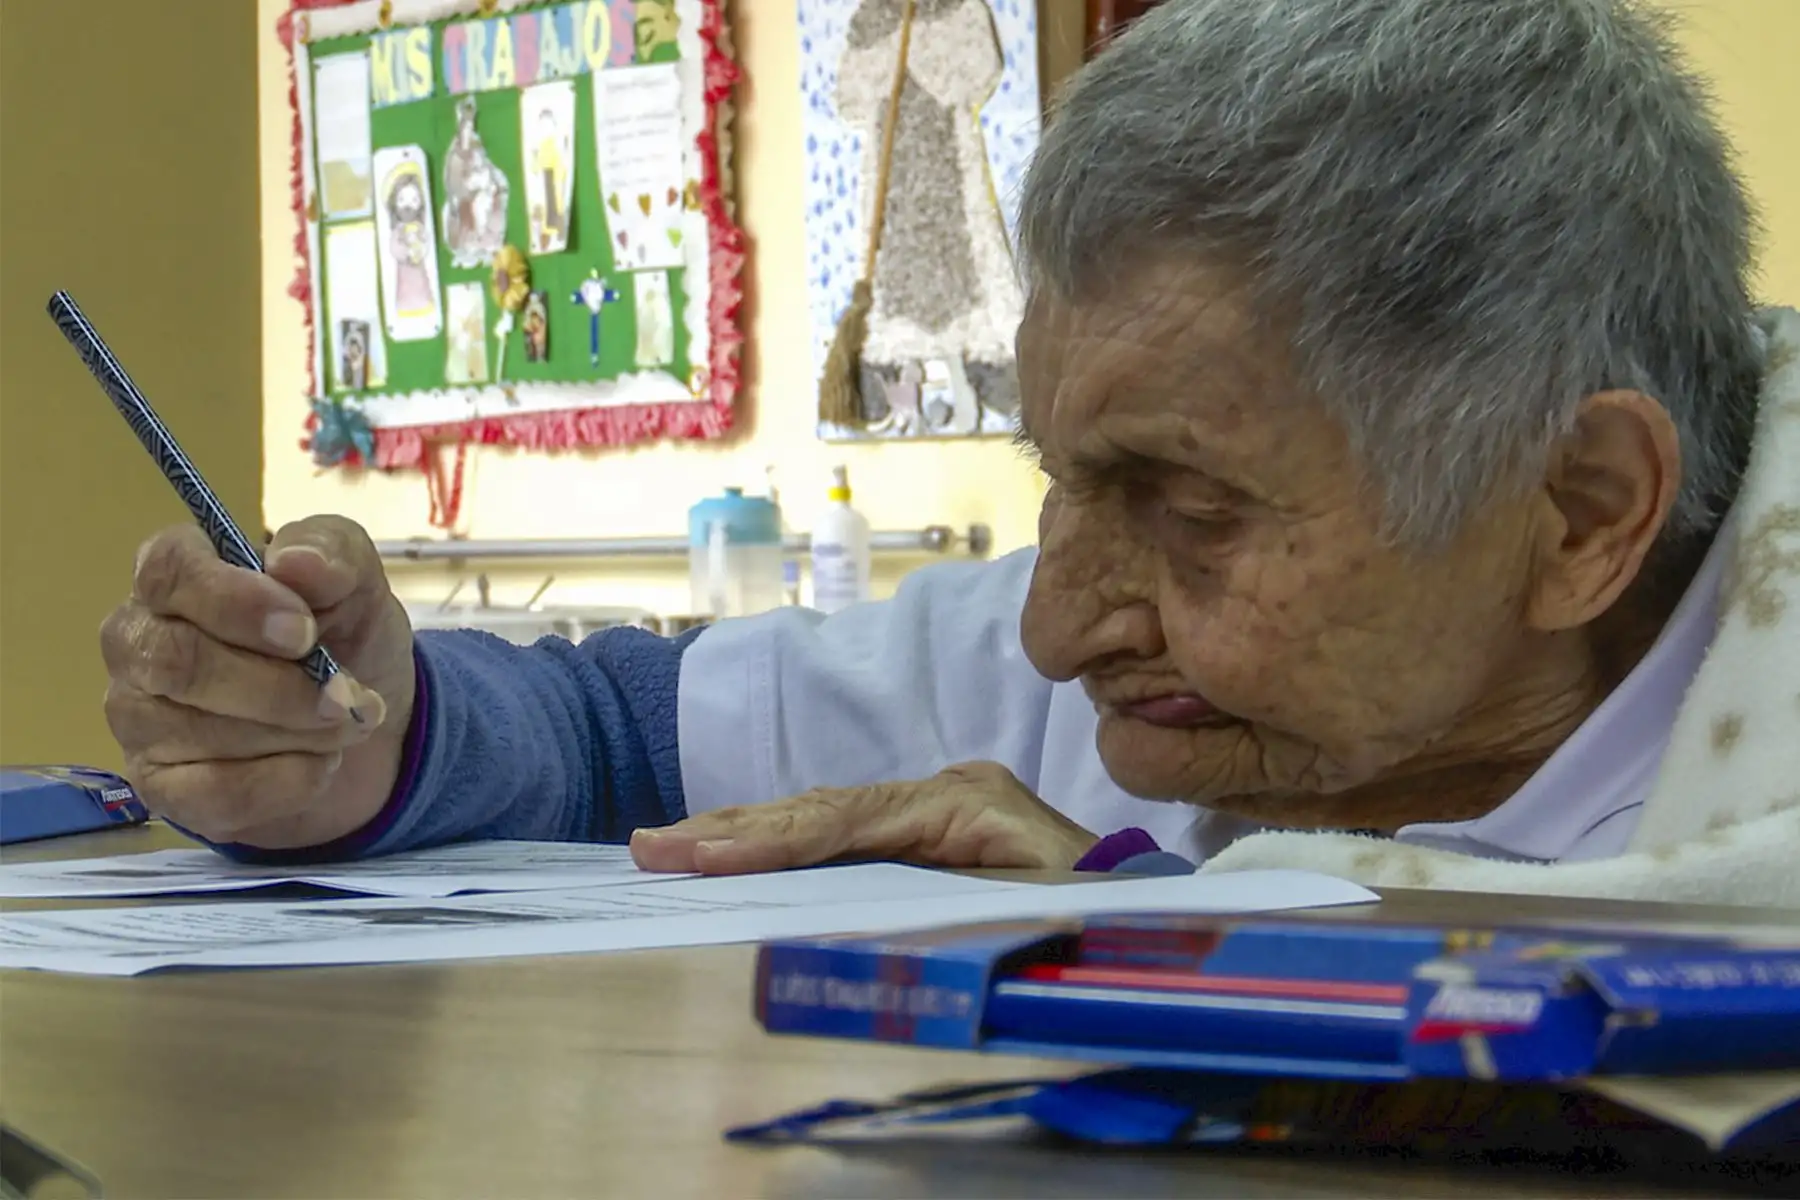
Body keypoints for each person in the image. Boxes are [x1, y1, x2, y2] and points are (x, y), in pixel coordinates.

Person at [99, 0, 1800, 905]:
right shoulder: (1122, 666)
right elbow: (624, 740)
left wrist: (1143, 940)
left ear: (1579, 512)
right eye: (1063, 481)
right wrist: (368, 737)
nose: (1057, 631)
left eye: (1193, 514)